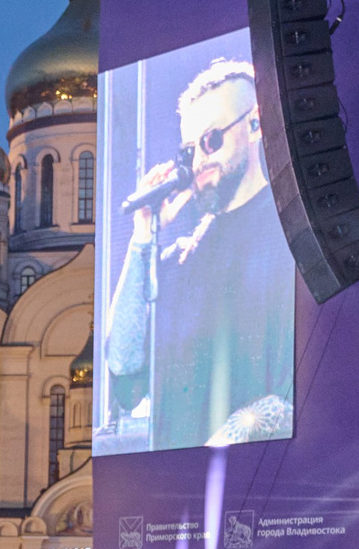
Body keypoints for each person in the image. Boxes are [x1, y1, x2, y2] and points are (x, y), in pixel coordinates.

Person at [102, 56, 295, 451]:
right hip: (179, 496)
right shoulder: (178, 259)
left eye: (210, 141)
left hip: (263, 491)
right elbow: (123, 364)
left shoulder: (289, 236)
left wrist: (235, 433)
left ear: (256, 124)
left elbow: (298, 396)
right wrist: (142, 236)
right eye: (189, 149)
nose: (198, 161)